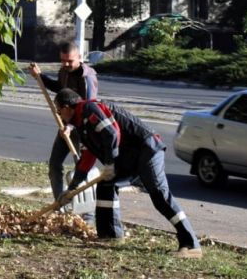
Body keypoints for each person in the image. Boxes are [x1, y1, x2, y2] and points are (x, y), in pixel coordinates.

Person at [54, 88, 202, 258]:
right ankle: (111, 236)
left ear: (66, 108)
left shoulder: (89, 109)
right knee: (106, 185)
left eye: (59, 111)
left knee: (159, 195)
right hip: (129, 157)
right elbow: (86, 159)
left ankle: (191, 245)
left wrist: (110, 163)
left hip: (147, 149)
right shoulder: (81, 124)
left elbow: (112, 133)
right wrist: (71, 189)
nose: (60, 115)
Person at [28, 42, 99, 201]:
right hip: (65, 125)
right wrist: (39, 76)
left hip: (84, 130)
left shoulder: (87, 78)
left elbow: (89, 107)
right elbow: (58, 87)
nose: (66, 64)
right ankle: (59, 203)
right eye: (63, 60)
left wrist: (72, 126)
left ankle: (88, 211)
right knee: (54, 165)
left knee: (83, 169)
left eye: (70, 61)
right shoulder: (64, 71)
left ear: (80, 58)